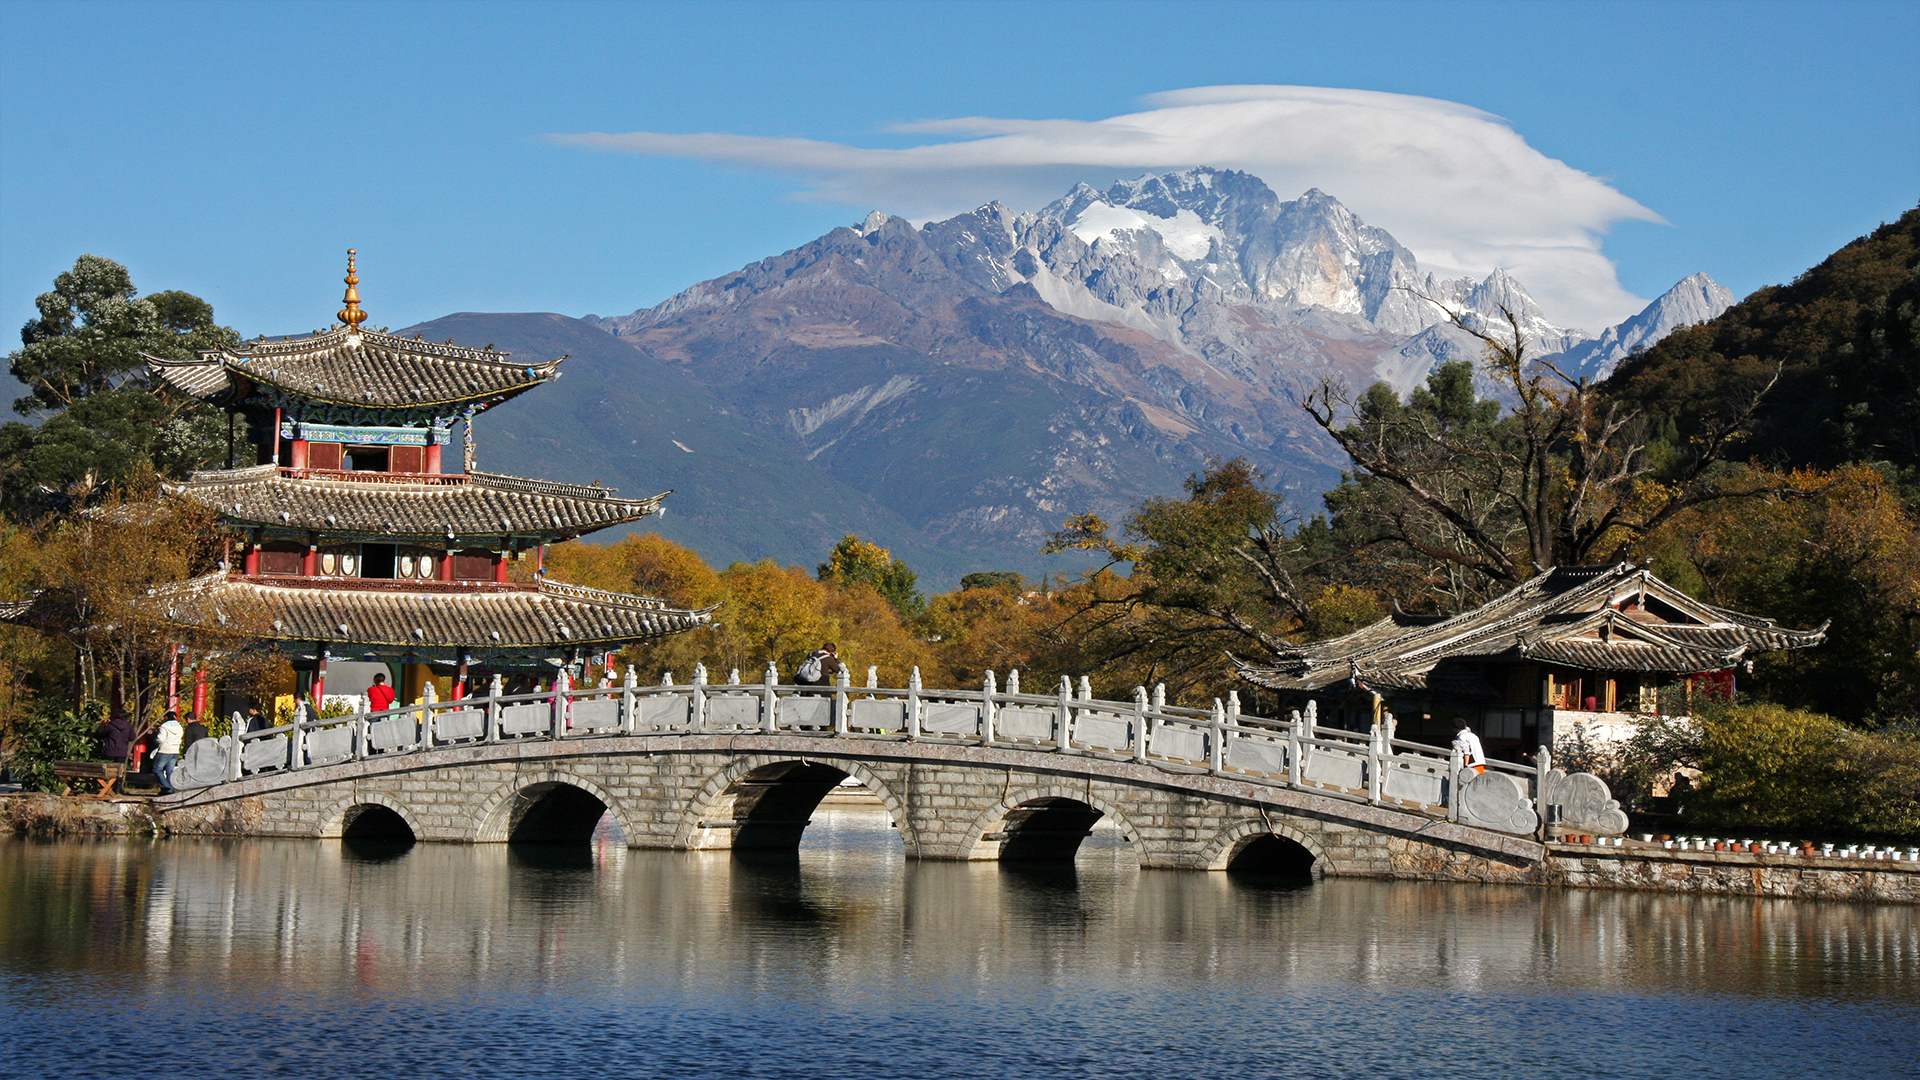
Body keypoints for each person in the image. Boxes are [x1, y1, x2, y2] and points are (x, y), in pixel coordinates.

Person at [152, 711, 184, 794]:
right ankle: (169, 791)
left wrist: (155, 740)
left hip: (165, 750)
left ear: (166, 717)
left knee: (157, 769)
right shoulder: (179, 726)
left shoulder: (164, 726)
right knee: (170, 771)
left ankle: (166, 786)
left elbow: (160, 739)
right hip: (175, 751)